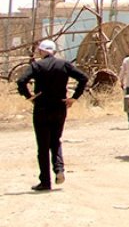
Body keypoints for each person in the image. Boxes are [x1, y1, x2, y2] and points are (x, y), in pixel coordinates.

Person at [16, 39, 88, 191]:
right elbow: (83, 78)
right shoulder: (64, 64)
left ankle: (45, 181)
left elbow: (21, 81)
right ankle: (59, 170)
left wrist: (29, 97)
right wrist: (74, 98)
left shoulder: (36, 65)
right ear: (54, 51)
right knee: (56, 141)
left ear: (42, 51)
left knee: (43, 146)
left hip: (41, 108)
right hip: (60, 107)